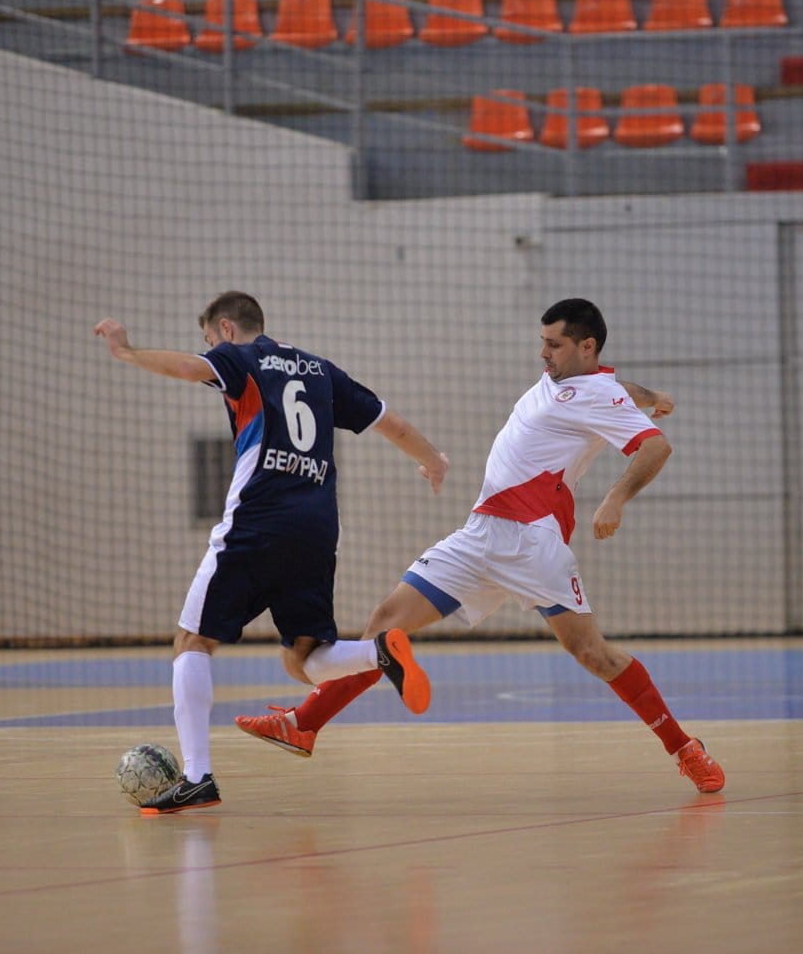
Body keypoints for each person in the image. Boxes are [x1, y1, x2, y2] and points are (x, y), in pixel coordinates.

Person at [235, 298, 725, 793]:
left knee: (592, 654)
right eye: (542, 343)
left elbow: (655, 445)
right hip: (478, 535)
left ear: (586, 346)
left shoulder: (598, 396)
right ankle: (303, 725)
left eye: (554, 345)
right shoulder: (579, 382)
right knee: (385, 627)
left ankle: (684, 748)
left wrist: (615, 499)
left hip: (533, 543)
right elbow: (618, 386)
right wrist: (654, 393)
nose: (544, 353)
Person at [93, 291, 448, 813]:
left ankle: (197, 777)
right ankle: (379, 652)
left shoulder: (241, 358)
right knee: (303, 658)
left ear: (227, 329)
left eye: (210, 339)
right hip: (319, 526)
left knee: (192, 641)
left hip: (259, 518)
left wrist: (129, 353)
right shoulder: (321, 371)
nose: (212, 350)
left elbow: (192, 370)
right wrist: (433, 461)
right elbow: (388, 422)